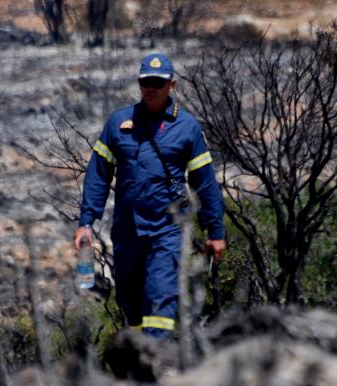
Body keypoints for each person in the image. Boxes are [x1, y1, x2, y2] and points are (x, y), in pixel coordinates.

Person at [74, 53, 226, 338]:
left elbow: (204, 183)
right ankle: (140, 360)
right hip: (126, 231)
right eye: (146, 82)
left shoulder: (187, 128)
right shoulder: (118, 123)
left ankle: (156, 364)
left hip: (167, 231)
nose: (151, 88)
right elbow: (98, 175)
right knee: (130, 305)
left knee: (160, 299)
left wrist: (215, 231)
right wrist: (86, 223)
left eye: (158, 82)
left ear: (172, 84)